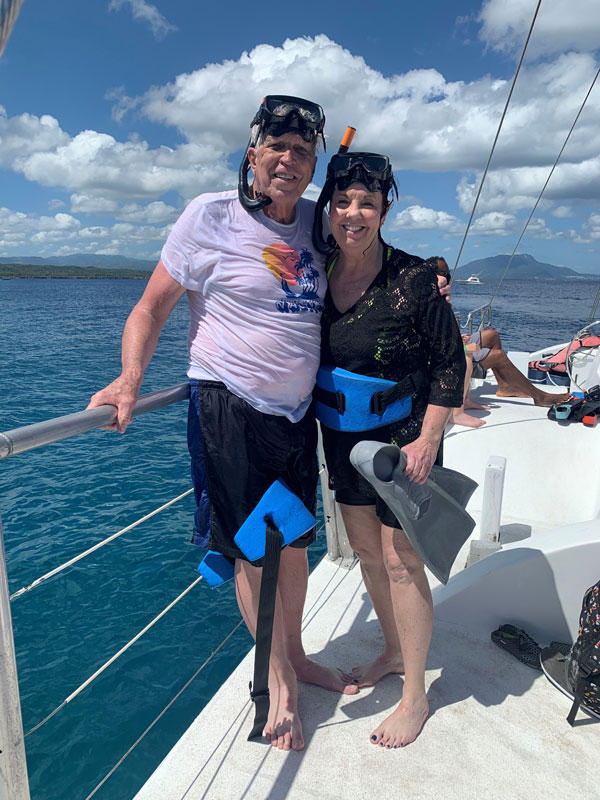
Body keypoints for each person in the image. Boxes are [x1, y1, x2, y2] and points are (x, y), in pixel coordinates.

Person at [87, 95, 357, 753]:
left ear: (314, 159)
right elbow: (150, 309)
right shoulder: (211, 216)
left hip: (295, 417)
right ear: (253, 154)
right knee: (251, 551)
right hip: (228, 407)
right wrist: (129, 381)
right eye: (277, 148)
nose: (289, 161)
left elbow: (366, 262)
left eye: (301, 151)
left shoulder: (317, 227)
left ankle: (295, 656)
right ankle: (276, 684)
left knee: (292, 546)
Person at [313, 154, 466, 748]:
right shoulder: (315, 268)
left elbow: (451, 363)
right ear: (330, 207)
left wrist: (430, 438)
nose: (354, 214)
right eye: (343, 202)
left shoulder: (415, 279)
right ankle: (395, 652)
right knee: (365, 553)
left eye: (367, 204)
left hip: (405, 443)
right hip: (343, 439)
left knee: (402, 560)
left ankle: (415, 697)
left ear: (384, 211)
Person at [431, 257, 569, 427]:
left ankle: (505, 386)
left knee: (492, 335)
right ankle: (540, 397)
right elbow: (434, 346)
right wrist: (465, 347)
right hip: (449, 358)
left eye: (447, 274)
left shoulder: (439, 299)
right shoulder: (429, 305)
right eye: (442, 274)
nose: (446, 279)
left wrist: (460, 339)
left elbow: (442, 336)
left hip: (455, 345)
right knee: (498, 356)